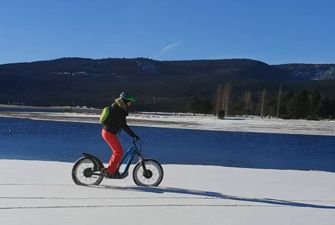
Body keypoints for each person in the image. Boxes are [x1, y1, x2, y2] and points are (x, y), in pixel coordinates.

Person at [101, 92, 139, 178]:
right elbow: (124, 126)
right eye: (129, 102)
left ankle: (112, 169)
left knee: (117, 152)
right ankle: (109, 171)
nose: (130, 104)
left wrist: (132, 135)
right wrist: (133, 135)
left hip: (108, 132)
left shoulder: (118, 107)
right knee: (119, 152)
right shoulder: (119, 110)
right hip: (108, 133)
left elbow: (122, 124)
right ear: (125, 101)